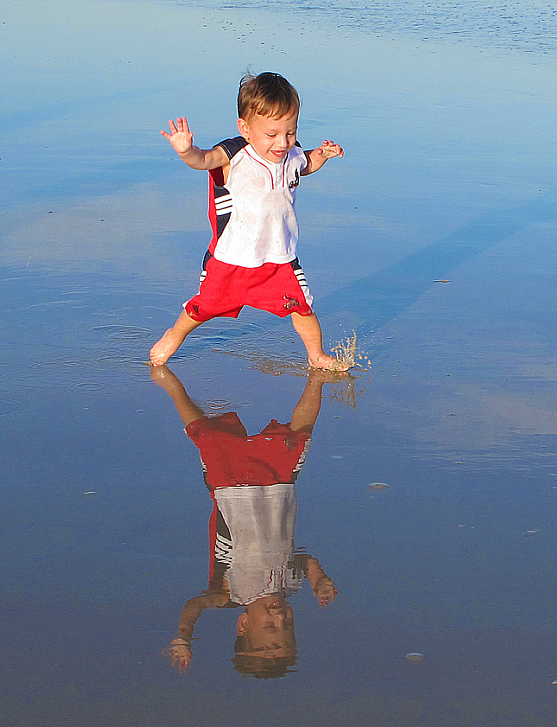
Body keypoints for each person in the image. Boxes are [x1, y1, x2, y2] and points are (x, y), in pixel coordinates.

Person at [152, 364, 341, 677]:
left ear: (243, 623)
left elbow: (195, 605)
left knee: (207, 435)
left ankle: (170, 385)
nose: (280, 618)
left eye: (269, 626)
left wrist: (183, 636)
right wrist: (318, 579)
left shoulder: (229, 595)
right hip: (280, 484)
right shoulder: (290, 585)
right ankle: (317, 378)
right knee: (300, 434)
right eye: (288, 626)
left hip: (230, 487)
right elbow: (303, 559)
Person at [150, 71, 345, 370]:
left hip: (278, 257)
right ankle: (173, 337)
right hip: (233, 258)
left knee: (302, 306)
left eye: (290, 132)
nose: (282, 142)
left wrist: (322, 155)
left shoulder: (290, 154)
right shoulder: (233, 156)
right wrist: (186, 150)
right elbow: (202, 160)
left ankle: (316, 354)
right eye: (272, 135)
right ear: (245, 128)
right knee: (203, 308)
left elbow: (305, 164)